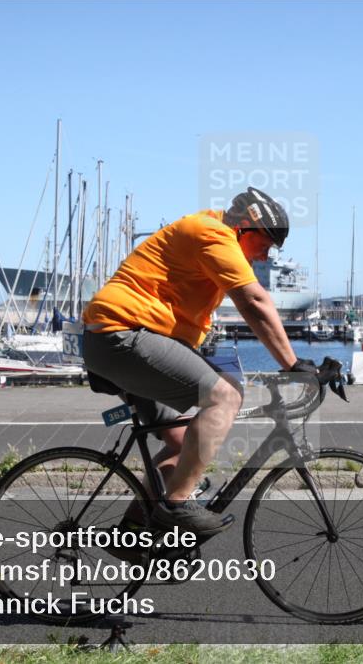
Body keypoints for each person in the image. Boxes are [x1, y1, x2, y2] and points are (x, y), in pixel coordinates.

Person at [82, 187, 315, 535]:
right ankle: (175, 506)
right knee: (226, 396)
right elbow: (253, 301)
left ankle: (133, 531)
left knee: (182, 445)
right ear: (244, 230)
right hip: (120, 333)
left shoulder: (215, 233)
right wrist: (292, 364)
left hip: (125, 337)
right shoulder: (213, 233)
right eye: (264, 247)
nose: (265, 258)